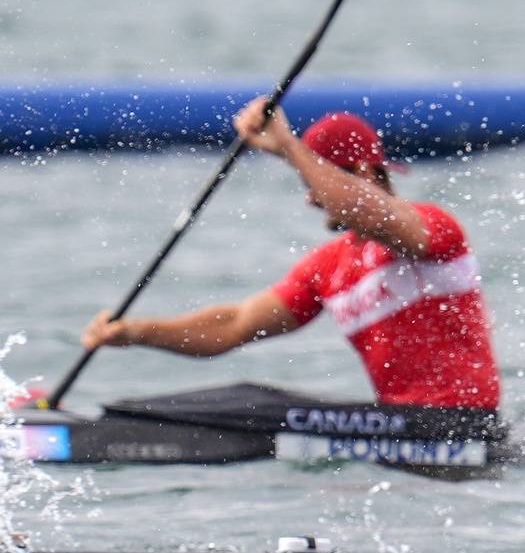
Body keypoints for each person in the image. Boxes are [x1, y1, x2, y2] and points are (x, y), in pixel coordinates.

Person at [82, 100, 501, 411]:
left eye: (314, 179)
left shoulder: (433, 229)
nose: (310, 198)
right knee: (248, 400)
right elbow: (233, 326)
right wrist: (137, 333)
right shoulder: (329, 267)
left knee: (259, 405)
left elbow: (361, 210)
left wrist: (288, 147)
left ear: (362, 173)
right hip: (398, 424)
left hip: (461, 422)